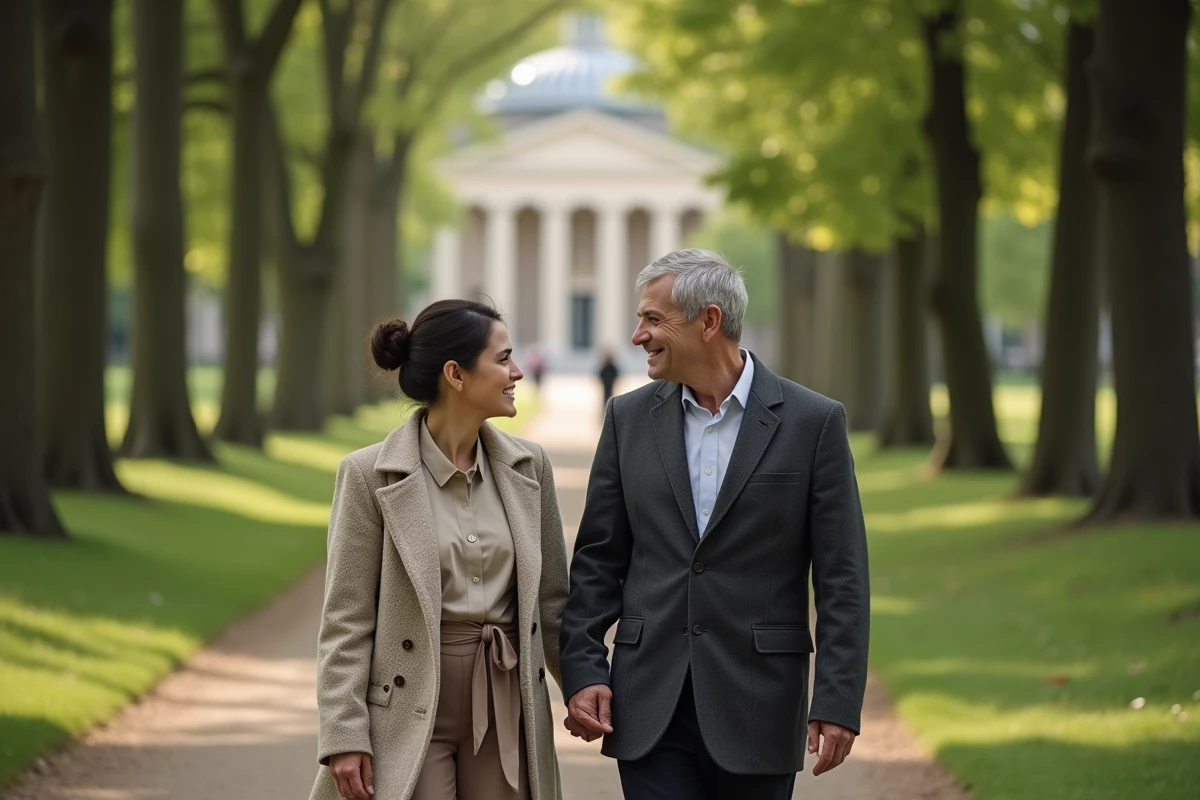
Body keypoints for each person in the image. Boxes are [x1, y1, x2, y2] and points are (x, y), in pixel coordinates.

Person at [559, 250, 870, 800]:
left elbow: (843, 578)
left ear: (709, 321)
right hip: (649, 702)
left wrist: (837, 700)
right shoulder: (627, 420)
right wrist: (585, 670)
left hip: (759, 703)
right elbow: (597, 562)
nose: (638, 335)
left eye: (653, 320)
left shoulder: (813, 423)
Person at [309, 299, 568, 800]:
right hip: (406, 702)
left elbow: (553, 604)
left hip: (505, 699)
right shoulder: (367, 476)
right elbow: (346, 619)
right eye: (503, 359)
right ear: (456, 374)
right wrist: (344, 734)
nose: (517, 372)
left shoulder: (530, 468)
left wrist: (584, 688)